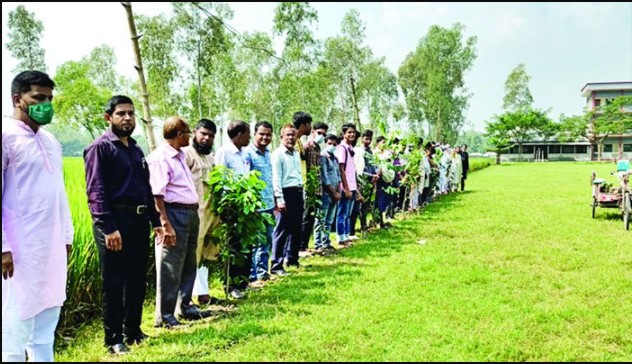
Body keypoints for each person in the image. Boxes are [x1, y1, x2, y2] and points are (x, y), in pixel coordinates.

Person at [84, 95, 167, 355]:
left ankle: (133, 330)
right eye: (121, 113)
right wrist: (108, 227)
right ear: (109, 117)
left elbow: (146, 187)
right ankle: (113, 339)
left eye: (131, 113)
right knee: (114, 281)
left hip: (138, 220)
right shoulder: (101, 147)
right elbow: (95, 192)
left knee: (136, 279)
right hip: (114, 223)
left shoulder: (135, 148)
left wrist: (155, 221)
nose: (127, 118)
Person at [2, 70, 74, 362]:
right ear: (18, 99)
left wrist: (66, 236)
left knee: (45, 327)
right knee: (13, 330)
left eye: (49, 98)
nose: (46, 104)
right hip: (18, 251)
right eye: (38, 98)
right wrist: (3, 246)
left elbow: (59, 192)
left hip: (51, 246)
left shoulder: (50, 140)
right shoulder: (6, 136)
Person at [148, 116, 210, 330]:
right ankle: (165, 316)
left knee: (188, 263)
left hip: (190, 212)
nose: (190, 136)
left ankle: (184, 306)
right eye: (187, 133)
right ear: (178, 134)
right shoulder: (160, 158)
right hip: (173, 213)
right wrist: (165, 223)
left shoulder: (181, 155)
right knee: (170, 266)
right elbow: (157, 195)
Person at [182, 119, 221, 306]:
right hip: (194, 215)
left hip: (211, 215)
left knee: (207, 254)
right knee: (192, 257)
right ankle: (185, 300)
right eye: (203, 134)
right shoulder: (186, 155)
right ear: (194, 132)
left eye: (211, 136)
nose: (206, 138)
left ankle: (203, 294)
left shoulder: (210, 158)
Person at [215, 120, 252, 299]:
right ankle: (230, 286)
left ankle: (243, 282)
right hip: (231, 205)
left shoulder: (244, 153)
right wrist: (224, 206)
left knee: (245, 244)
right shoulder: (224, 153)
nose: (250, 137)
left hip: (245, 203)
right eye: (248, 133)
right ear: (239, 134)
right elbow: (220, 180)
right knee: (232, 245)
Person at [244, 121, 275, 287]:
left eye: (268, 134)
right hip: (256, 205)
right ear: (254, 134)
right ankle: (253, 276)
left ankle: (263, 273)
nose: (265, 137)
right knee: (256, 242)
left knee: (267, 240)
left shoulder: (269, 153)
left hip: (269, 203)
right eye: (261, 134)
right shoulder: (248, 154)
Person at [271, 125, 304, 275]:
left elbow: (298, 174)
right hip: (285, 193)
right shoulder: (278, 154)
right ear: (281, 137)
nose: (291, 138)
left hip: (297, 191)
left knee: (297, 228)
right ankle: (277, 264)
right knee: (282, 230)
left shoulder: (296, 153)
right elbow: (276, 178)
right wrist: (279, 199)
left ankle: (292, 259)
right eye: (288, 135)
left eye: (293, 135)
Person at [299, 121, 328, 257]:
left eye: (324, 134)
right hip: (308, 186)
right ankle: (301, 246)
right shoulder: (307, 146)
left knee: (312, 217)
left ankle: (306, 245)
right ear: (313, 132)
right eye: (319, 133)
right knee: (306, 217)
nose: (321, 136)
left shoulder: (317, 148)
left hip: (316, 187)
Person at [335, 123, 364, 247]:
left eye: (353, 132)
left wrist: (356, 190)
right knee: (342, 213)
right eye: (349, 132)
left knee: (348, 214)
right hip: (345, 188)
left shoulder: (350, 149)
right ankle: (341, 238)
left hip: (352, 187)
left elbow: (352, 172)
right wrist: (345, 188)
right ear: (343, 134)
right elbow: (341, 169)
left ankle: (346, 236)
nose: (351, 134)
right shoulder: (342, 148)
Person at [314, 134, 342, 254]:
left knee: (329, 220)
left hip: (335, 193)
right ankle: (318, 244)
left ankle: (326, 242)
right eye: (330, 144)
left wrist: (339, 191)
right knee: (321, 219)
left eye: (334, 144)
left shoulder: (335, 158)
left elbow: (338, 175)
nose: (332, 146)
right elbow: (324, 177)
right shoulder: (323, 157)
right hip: (326, 193)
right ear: (325, 143)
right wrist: (333, 192)